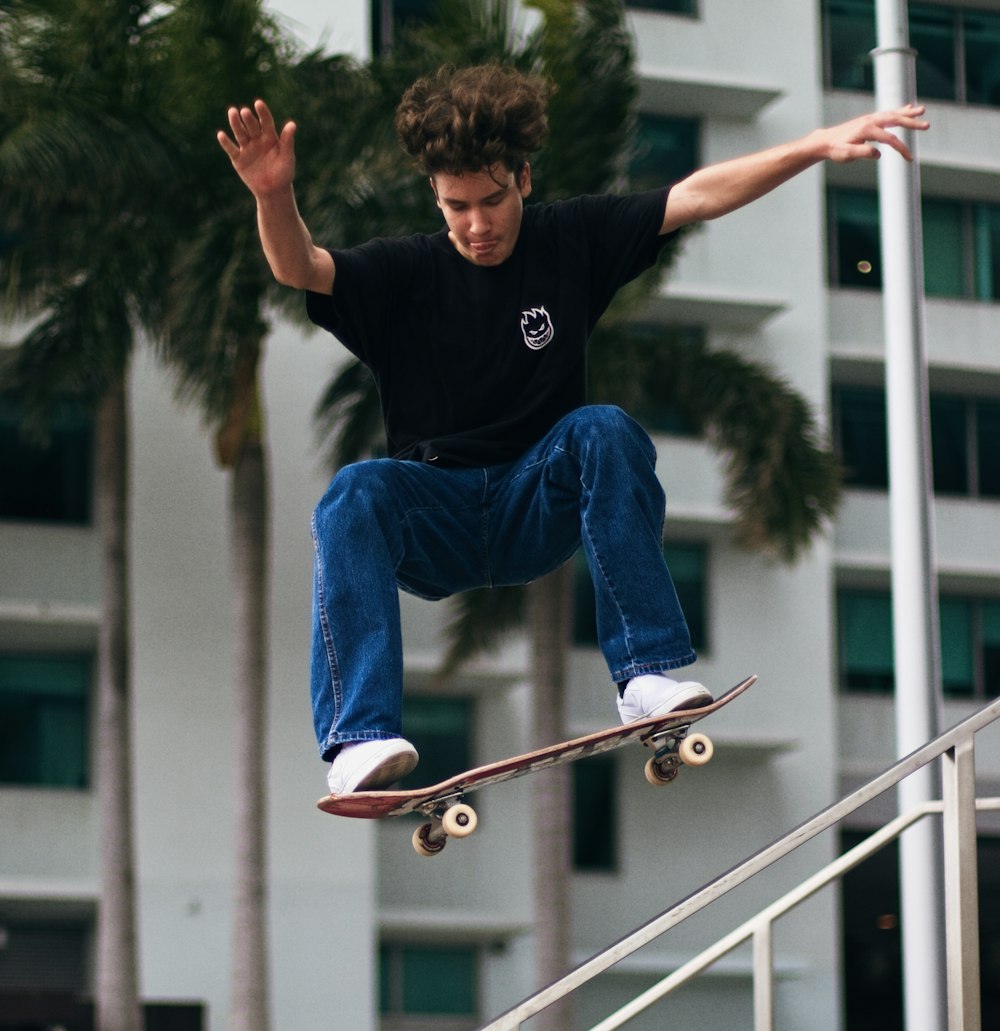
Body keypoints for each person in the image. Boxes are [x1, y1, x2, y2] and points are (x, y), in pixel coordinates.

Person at [218, 65, 928, 796]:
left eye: (492, 201)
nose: (477, 225)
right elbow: (301, 266)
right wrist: (274, 194)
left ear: (523, 178)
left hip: (538, 501)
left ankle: (644, 673)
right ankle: (359, 742)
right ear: (434, 194)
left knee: (602, 428)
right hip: (438, 517)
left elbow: (695, 195)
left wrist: (813, 144)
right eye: (457, 206)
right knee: (353, 492)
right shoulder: (404, 272)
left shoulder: (571, 239)